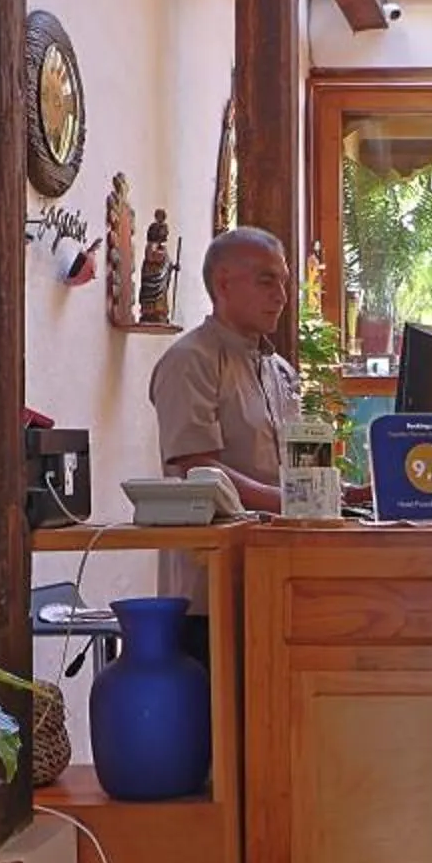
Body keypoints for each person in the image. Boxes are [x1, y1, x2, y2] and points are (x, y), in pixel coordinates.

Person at [147, 228, 299, 631]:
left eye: (284, 282)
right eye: (267, 281)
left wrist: (345, 495)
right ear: (223, 283)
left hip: (281, 573)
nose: (281, 296)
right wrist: (292, 502)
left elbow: (299, 465)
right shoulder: (190, 360)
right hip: (210, 590)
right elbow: (198, 469)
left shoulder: (280, 371)